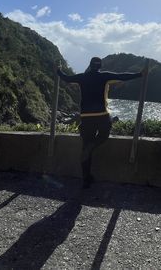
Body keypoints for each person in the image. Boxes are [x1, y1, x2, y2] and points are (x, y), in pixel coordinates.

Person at [57, 57, 146, 188]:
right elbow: (123, 76)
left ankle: (86, 180)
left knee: (85, 149)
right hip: (102, 115)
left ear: (90, 65)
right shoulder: (104, 76)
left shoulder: (82, 77)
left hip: (86, 117)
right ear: (99, 66)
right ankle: (92, 146)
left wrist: (58, 70)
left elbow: (67, 78)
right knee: (104, 134)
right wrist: (140, 74)